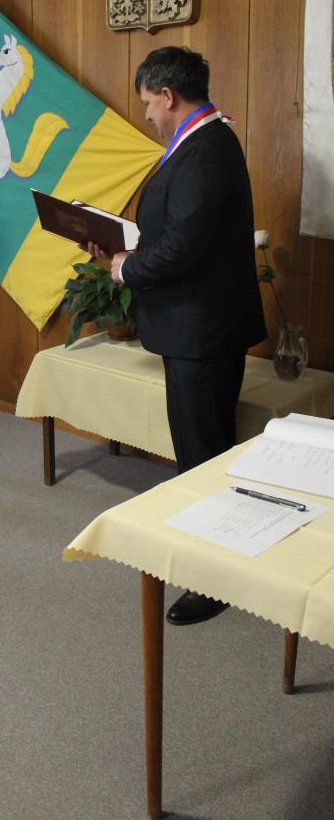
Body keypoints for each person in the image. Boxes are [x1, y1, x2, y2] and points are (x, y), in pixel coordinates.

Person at [99, 47, 266, 626]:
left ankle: (211, 580)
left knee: (202, 456)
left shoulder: (206, 148)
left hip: (202, 329)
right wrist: (121, 245)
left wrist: (126, 268)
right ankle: (214, 558)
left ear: (168, 96)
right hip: (198, 325)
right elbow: (178, 229)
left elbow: (182, 247)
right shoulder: (203, 142)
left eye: (148, 103)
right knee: (202, 447)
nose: (147, 114)